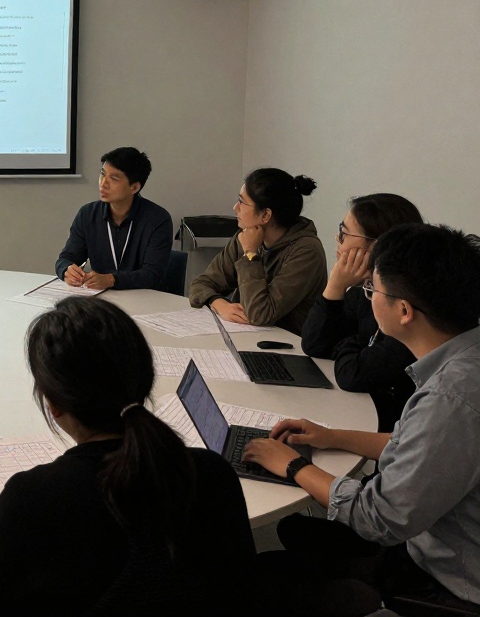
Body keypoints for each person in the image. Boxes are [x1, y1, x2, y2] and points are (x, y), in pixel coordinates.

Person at [243, 224, 480, 615]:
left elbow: (380, 517)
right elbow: (415, 445)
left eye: (373, 290)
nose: (368, 298)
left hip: (447, 576)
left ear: (403, 311)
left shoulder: (450, 397)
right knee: (296, 532)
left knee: (265, 575)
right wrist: (330, 435)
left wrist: (293, 465)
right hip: (431, 528)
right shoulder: (461, 359)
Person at [0, 296, 255, 616]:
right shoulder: (212, 473)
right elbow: (241, 592)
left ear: (52, 404)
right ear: (144, 376)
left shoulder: (31, 499)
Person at [301, 193, 423, 430]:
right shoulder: (363, 291)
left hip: (393, 427)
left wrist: (349, 343)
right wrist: (335, 286)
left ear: (377, 246)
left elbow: (353, 374)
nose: (338, 240)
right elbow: (314, 344)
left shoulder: (408, 306)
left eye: (345, 233)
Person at [188, 167, 326, 335]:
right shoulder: (247, 235)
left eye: (242, 202)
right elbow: (201, 284)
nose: (235, 208)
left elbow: (260, 314)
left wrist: (250, 254)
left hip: (289, 347)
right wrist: (218, 303)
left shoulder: (306, 251)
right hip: (246, 337)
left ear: (265, 215)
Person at [55, 147, 173, 291]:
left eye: (114, 179)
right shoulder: (88, 214)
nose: (103, 183)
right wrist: (66, 269)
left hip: (144, 299)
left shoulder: (158, 220)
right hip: (101, 299)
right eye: (102, 175)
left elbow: (152, 275)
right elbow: (66, 258)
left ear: (134, 187)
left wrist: (112, 280)